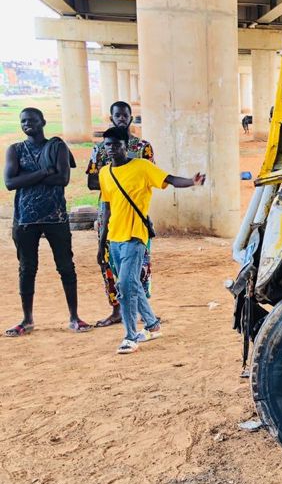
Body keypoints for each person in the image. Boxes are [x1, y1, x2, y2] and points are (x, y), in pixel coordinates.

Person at [97, 126, 205, 354]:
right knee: (132, 284)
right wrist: (101, 245)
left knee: (125, 286)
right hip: (114, 239)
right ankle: (152, 324)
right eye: (108, 145)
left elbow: (170, 179)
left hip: (136, 237)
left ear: (126, 146)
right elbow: (107, 209)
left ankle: (130, 336)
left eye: (116, 145)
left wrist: (191, 181)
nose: (112, 149)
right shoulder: (105, 173)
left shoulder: (142, 167)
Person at [4, 107, 91, 336]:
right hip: (25, 219)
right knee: (26, 268)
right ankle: (27, 319)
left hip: (56, 216)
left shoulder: (57, 146)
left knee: (66, 267)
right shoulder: (15, 150)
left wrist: (27, 178)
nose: (27, 124)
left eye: (32, 120)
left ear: (43, 122)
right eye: (23, 121)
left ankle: (74, 317)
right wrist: (43, 173)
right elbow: (10, 183)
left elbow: (62, 178)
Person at [86, 101, 155, 328]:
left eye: (126, 115)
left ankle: (142, 312)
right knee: (108, 262)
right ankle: (116, 309)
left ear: (131, 117)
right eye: (118, 115)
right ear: (111, 117)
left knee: (139, 263)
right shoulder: (100, 148)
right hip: (108, 213)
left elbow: (149, 176)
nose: (122, 118)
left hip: (136, 215)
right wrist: (119, 176)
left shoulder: (143, 146)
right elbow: (91, 181)